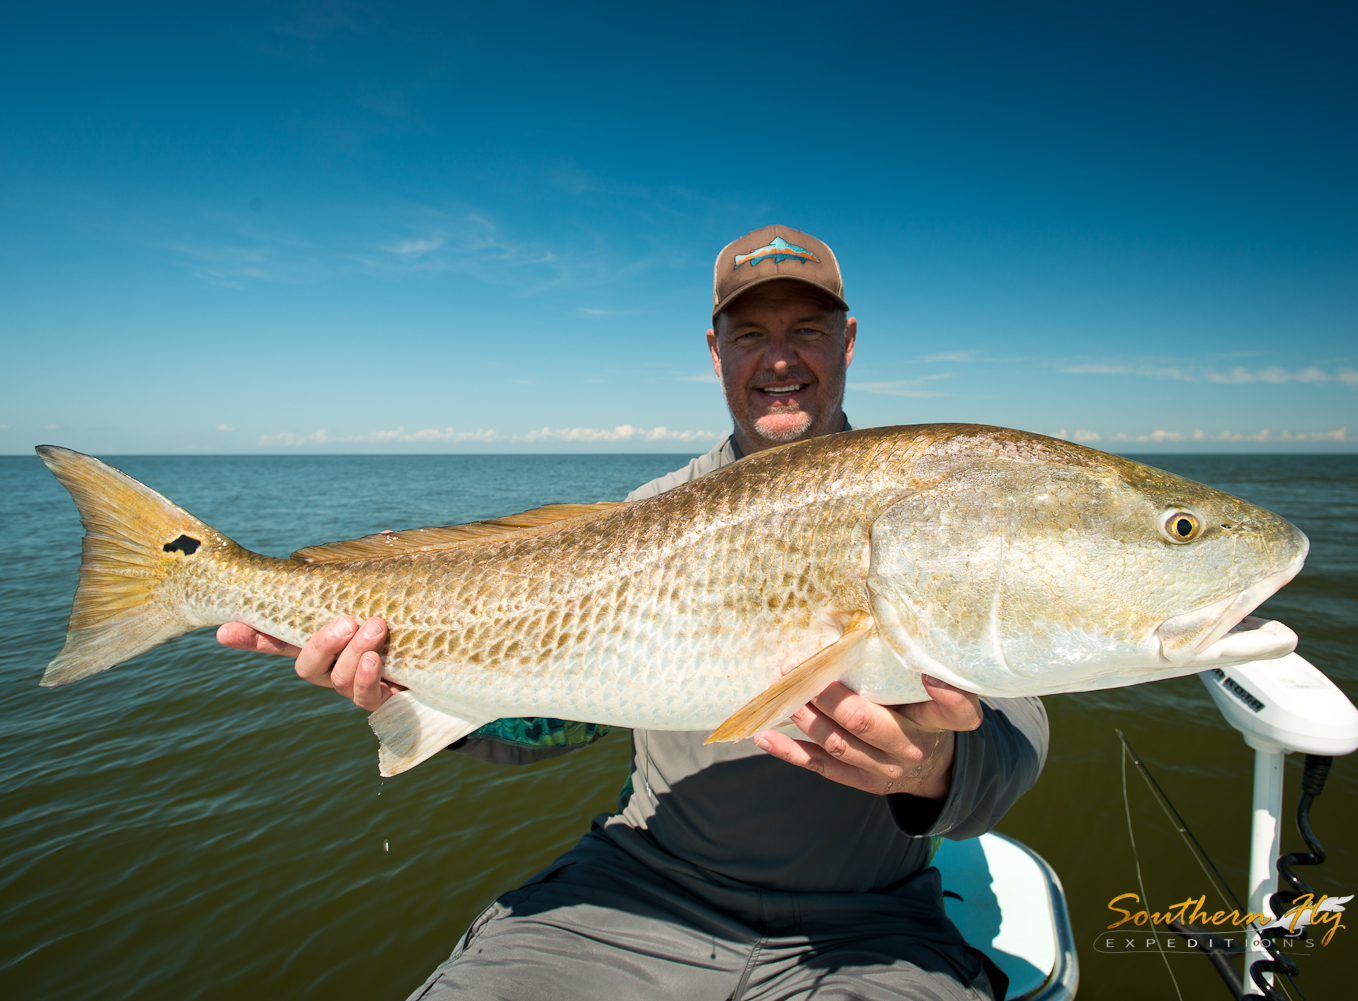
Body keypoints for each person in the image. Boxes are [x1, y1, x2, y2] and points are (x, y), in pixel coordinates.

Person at [219, 225, 1048, 1000]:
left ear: (850, 341)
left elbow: (1014, 735)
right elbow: (554, 720)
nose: (780, 358)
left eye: (807, 329)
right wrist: (410, 688)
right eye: (751, 334)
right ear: (716, 350)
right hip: (639, 888)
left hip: (870, 918)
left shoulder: (931, 502)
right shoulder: (648, 511)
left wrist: (933, 769)